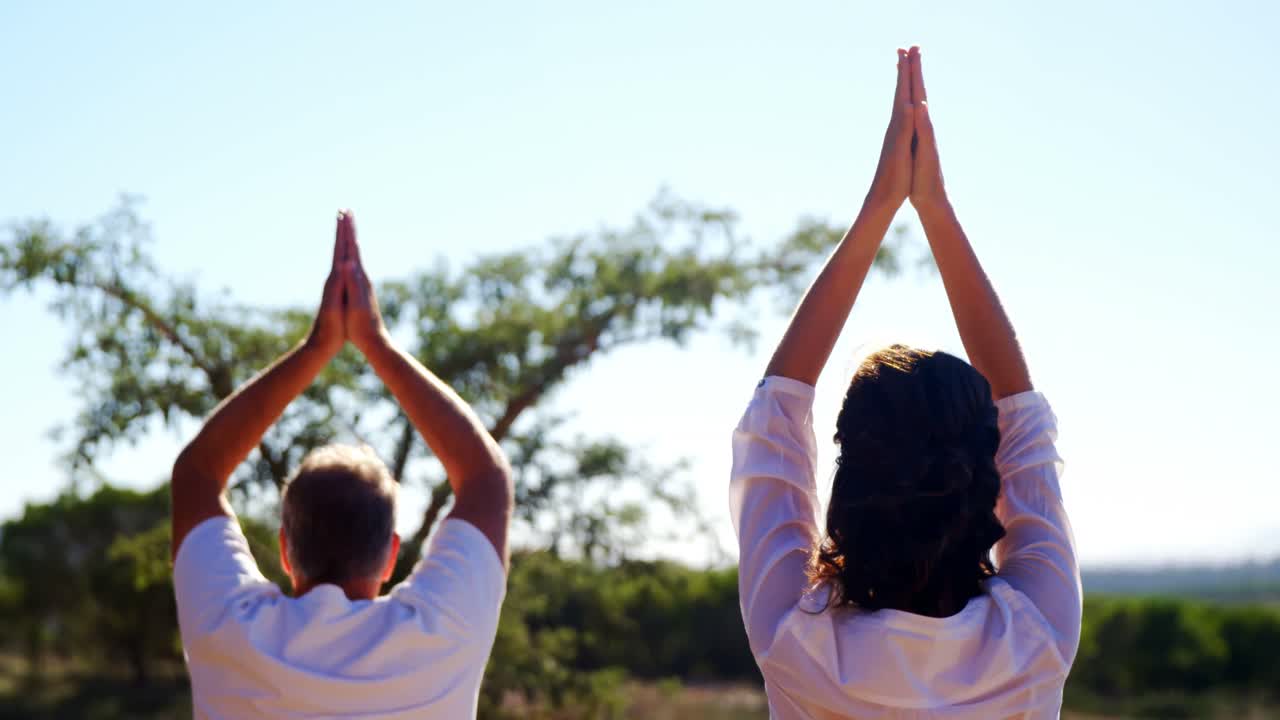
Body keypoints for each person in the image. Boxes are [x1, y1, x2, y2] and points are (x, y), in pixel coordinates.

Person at [730, 47, 1081, 718]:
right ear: (981, 475)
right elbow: (1026, 421)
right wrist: (935, 209)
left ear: (854, 476)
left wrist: (880, 207)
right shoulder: (1035, 639)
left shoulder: (797, 644)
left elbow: (772, 424)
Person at [169, 211, 513, 719]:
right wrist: (377, 342)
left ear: (286, 550)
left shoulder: (232, 631)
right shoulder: (440, 637)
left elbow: (197, 474)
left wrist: (317, 348)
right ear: (389, 556)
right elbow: (486, 477)